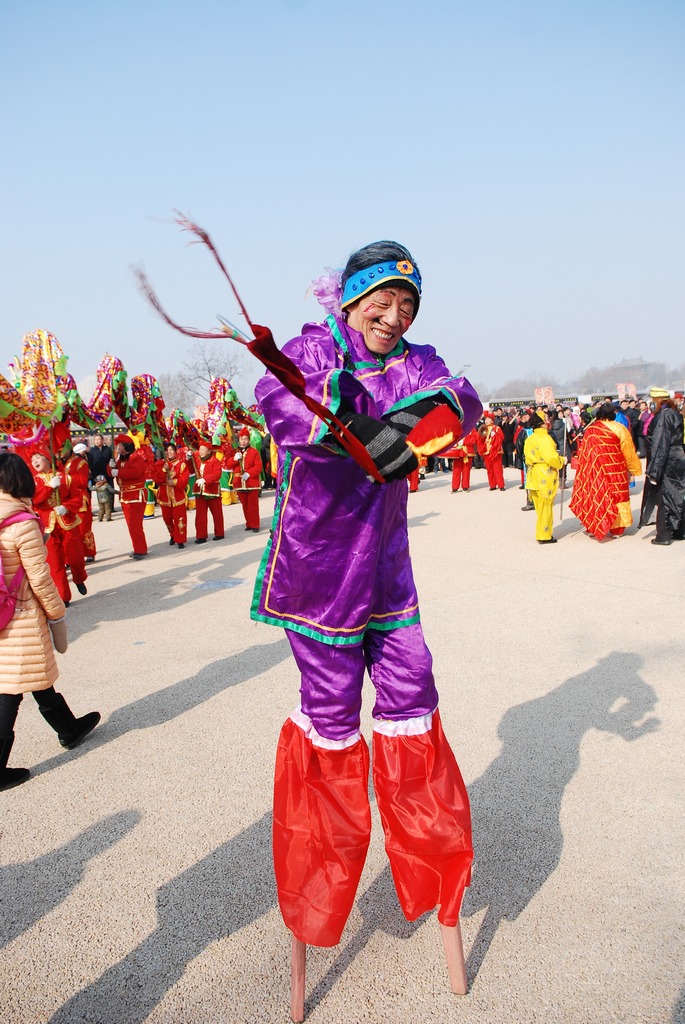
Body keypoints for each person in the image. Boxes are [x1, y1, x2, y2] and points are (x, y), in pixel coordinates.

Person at [252, 240, 481, 953]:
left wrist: (405, 430)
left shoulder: (417, 360)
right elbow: (284, 404)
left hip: (386, 572)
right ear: (349, 300)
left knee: (414, 694)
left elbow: (458, 400)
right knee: (331, 722)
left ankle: (432, 877)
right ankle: (317, 901)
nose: (393, 316)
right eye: (381, 302)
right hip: (317, 575)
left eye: (406, 304)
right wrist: (348, 425)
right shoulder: (314, 348)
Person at [0, 452, 100, 791]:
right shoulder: (21, 521)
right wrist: (57, 614)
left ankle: (69, 727)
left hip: (3, 608)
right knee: (12, 687)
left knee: (32, 674)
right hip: (21, 612)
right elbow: (39, 578)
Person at [569, 403, 642, 539]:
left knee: (595, 494)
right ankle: (617, 529)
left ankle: (593, 525)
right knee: (617, 496)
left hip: (594, 470)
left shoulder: (591, 430)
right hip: (615, 469)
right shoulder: (619, 428)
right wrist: (634, 469)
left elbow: (584, 452)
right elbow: (628, 450)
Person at [30, 448, 88, 603]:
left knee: (76, 558)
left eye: (38, 457)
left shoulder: (65, 477)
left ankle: (79, 578)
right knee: (55, 563)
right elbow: (34, 500)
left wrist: (66, 507)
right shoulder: (33, 481)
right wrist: (49, 487)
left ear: (48, 458)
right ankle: (63, 596)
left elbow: (77, 497)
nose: (35, 461)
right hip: (47, 526)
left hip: (68, 523)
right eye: (33, 459)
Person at [645, 395, 685, 545]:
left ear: (658, 401)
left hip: (668, 458)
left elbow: (660, 444)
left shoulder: (663, 417)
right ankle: (679, 530)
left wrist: (654, 470)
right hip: (678, 456)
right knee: (677, 493)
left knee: (665, 496)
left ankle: (664, 535)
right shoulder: (675, 413)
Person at [523, 412, 566, 543]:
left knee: (540, 507)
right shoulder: (545, 438)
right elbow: (551, 457)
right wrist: (561, 460)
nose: (548, 421)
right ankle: (544, 535)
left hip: (533, 473)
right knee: (546, 506)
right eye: (546, 419)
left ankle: (541, 532)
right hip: (544, 473)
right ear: (542, 423)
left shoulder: (530, 438)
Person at [112, 434, 148, 559]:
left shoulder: (136, 458)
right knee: (131, 525)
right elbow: (111, 472)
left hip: (136, 494)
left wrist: (119, 472)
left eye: (119, 445)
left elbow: (135, 472)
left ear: (125, 446)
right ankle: (138, 547)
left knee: (135, 524)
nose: (117, 447)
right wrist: (110, 466)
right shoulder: (120, 460)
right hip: (125, 495)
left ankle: (140, 549)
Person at [152, 443, 190, 548]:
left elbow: (184, 479)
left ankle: (180, 539)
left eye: (171, 450)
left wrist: (174, 482)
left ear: (175, 451)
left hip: (178, 496)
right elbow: (156, 478)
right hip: (164, 496)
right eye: (167, 450)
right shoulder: (160, 464)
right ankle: (173, 534)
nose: (169, 452)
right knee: (167, 518)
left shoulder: (181, 464)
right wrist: (164, 470)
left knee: (180, 519)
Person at [66, 442, 96, 562]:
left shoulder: (81, 463)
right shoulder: (64, 463)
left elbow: (83, 482)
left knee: (84, 528)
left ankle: (89, 552)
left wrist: (66, 480)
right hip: (68, 500)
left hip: (80, 499)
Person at [192, 441, 225, 543]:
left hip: (212, 491)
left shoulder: (215, 461)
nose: (200, 452)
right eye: (200, 449)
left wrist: (205, 479)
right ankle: (201, 536)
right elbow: (191, 469)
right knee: (200, 515)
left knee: (217, 513)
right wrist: (189, 460)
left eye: (203, 450)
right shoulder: (197, 460)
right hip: (200, 491)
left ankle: (219, 533)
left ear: (209, 451)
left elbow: (217, 474)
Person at [231, 429, 262, 532]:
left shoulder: (254, 452)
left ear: (249, 440)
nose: (243, 441)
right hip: (240, 483)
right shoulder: (235, 452)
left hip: (251, 483)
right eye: (241, 439)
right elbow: (228, 464)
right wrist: (234, 459)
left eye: (245, 439)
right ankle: (249, 523)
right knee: (244, 505)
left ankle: (255, 525)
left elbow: (258, 467)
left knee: (252, 506)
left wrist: (249, 473)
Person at [477, 414, 505, 490]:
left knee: (497, 469)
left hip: (496, 451)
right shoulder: (483, 428)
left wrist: (494, 435)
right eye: (486, 419)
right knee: (489, 469)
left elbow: (501, 437)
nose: (486, 421)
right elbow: (480, 440)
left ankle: (501, 485)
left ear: (492, 420)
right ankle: (492, 485)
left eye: (488, 419)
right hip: (487, 451)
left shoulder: (496, 428)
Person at [446, 427, 478, 492]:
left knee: (466, 470)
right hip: (457, 451)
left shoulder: (472, 428)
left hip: (468, 452)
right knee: (456, 469)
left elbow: (474, 439)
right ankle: (455, 487)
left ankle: (465, 486)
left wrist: (464, 441)